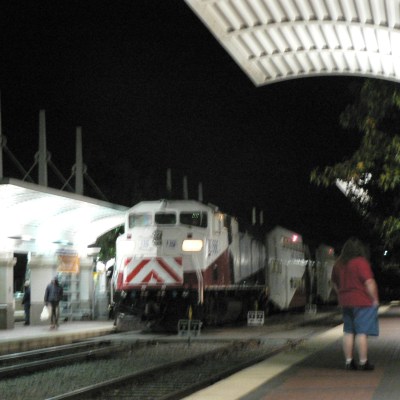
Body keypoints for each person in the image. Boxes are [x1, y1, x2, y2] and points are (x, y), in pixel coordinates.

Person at [331, 237, 379, 371]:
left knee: (348, 331)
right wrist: (374, 299)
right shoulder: (361, 262)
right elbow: (369, 282)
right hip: (362, 301)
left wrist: (341, 293)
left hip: (346, 302)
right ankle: (363, 362)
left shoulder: (338, 264)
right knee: (362, 332)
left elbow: (334, 283)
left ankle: (349, 362)